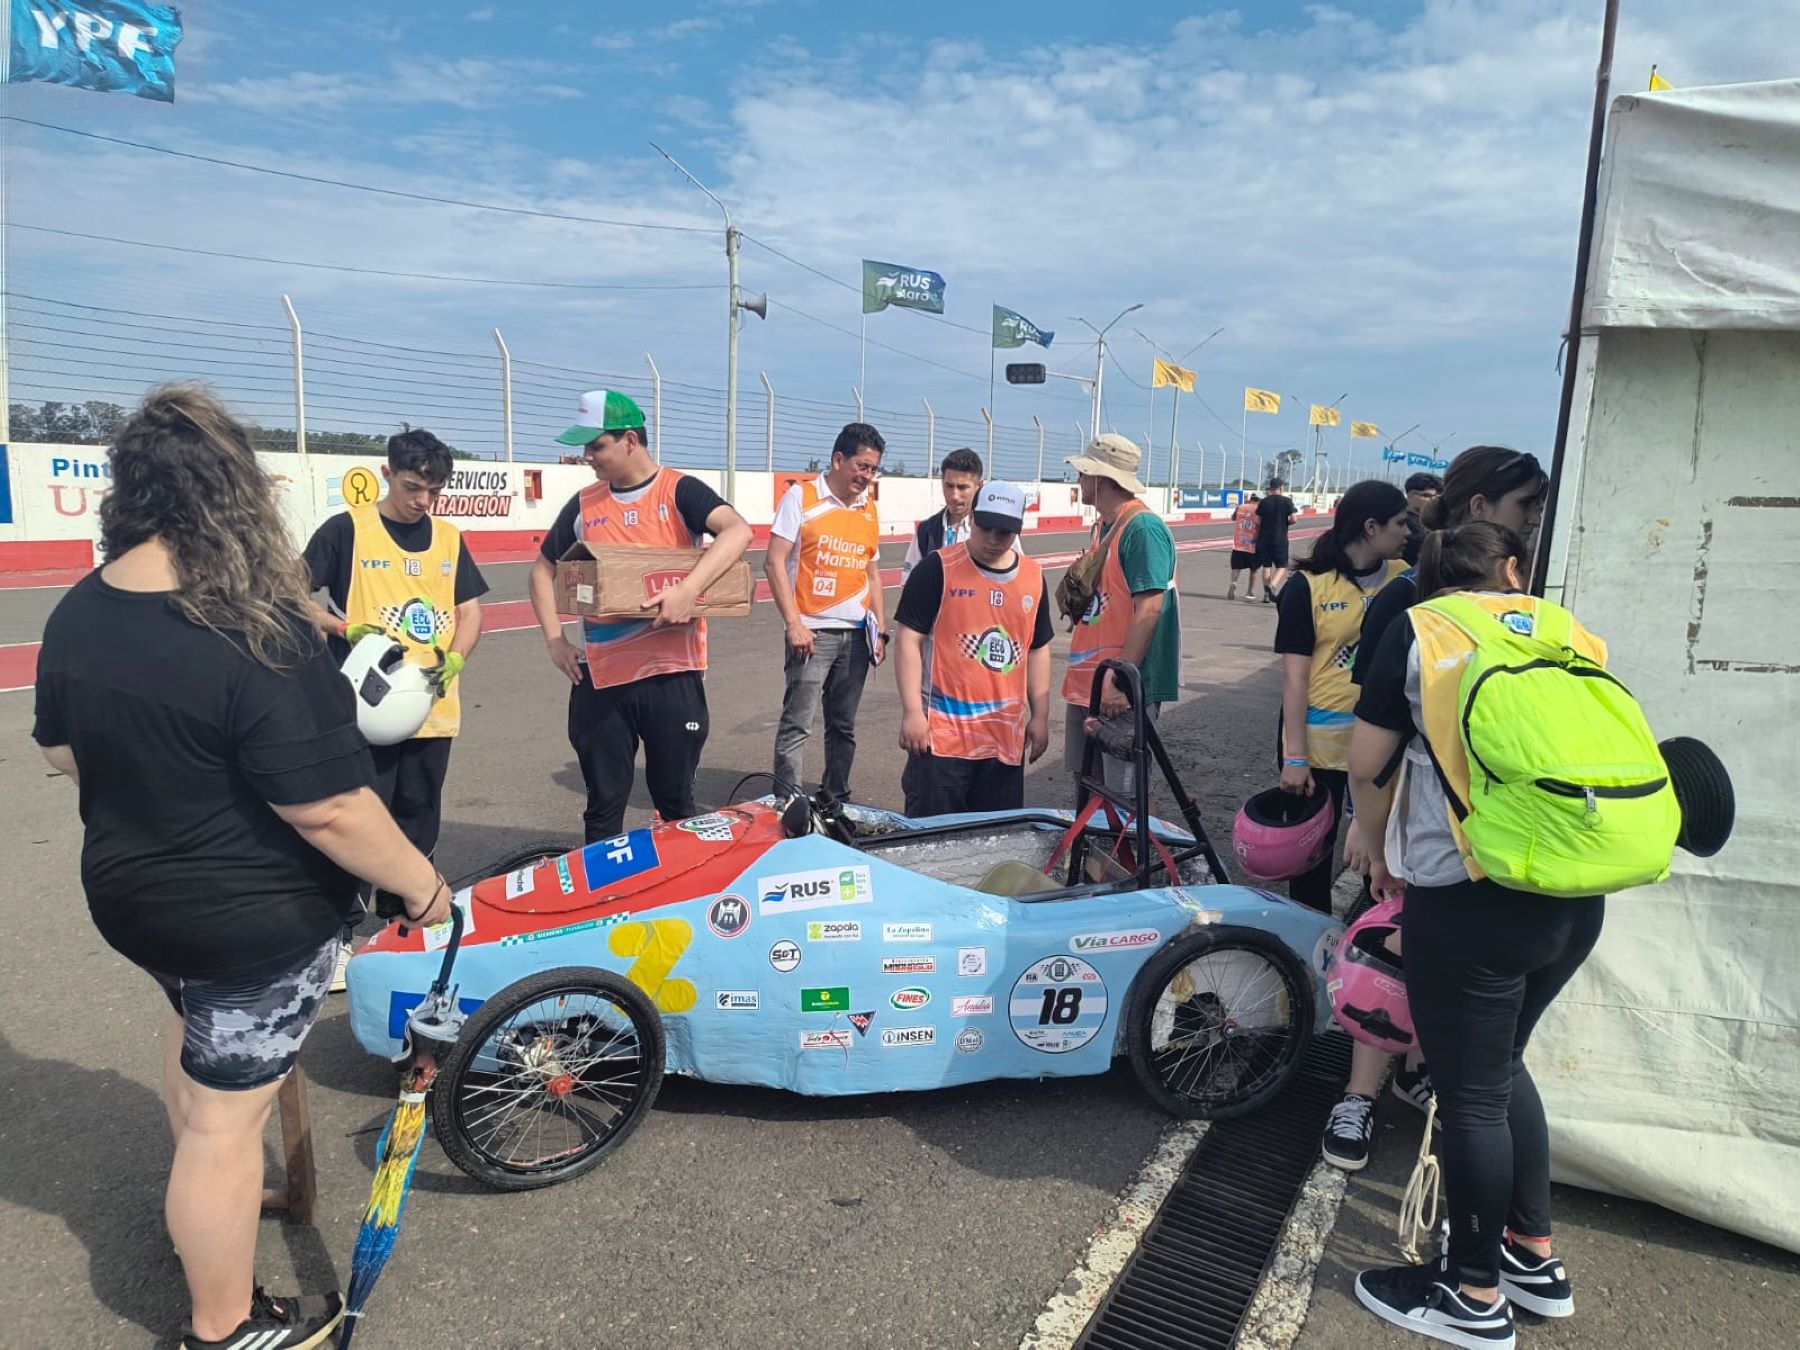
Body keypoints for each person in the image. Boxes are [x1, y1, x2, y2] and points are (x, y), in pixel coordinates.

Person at [32, 385, 451, 1350]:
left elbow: (63, 756)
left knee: (199, 1046)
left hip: (133, 898)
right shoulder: (253, 626)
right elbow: (334, 808)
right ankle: (223, 1324)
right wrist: (425, 889)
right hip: (244, 920)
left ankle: (209, 1198)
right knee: (227, 1116)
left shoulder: (81, 611)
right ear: (235, 495)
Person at [1347, 521, 1607, 1349]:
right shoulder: (1566, 630)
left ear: (1429, 577)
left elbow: (1366, 761)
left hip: (1471, 894)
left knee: (1469, 1094)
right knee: (1499, 1073)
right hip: (1580, 888)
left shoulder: (1418, 630)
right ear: (1514, 569)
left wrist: (1380, 847)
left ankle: (1473, 1295)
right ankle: (1532, 1255)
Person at [1322, 448, 1552, 1169]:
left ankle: (1421, 1074)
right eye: (1525, 512)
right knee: (1386, 951)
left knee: (1449, 973)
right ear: (1482, 511)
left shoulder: (1529, 612)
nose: (1533, 527)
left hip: (1486, 839)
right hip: (1407, 829)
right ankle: (1359, 1094)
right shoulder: (1405, 602)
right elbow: (1376, 739)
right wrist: (1372, 829)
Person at [303, 427, 487, 984]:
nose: (423, 501)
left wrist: (456, 658)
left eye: (434, 491)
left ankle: (402, 927)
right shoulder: (346, 531)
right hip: (365, 708)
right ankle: (335, 936)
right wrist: (341, 627)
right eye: (413, 487)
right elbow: (285, 594)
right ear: (387, 474)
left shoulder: (449, 538)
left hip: (431, 707)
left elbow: (470, 612)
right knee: (358, 824)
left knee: (417, 817)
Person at [529, 389, 752, 841]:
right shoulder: (584, 504)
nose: (587, 457)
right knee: (603, 808)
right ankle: (603, 904)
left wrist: (689, 590)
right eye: (585, 448)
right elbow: (542, 569)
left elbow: (738, 531)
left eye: (597, 446)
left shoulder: (679, 491)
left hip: (672, 676)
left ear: (630, 440)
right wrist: (554, 641)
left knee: (676, 807)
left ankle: (678, 899)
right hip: (602, 680)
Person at [1271, 479, 1410, 909]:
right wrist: (1296, 758)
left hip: (1382, 748)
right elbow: (1295, 677)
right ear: (1371, 527)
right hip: (1318, 750)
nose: (1408, 532)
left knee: (1382, 854)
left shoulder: (1406, 581)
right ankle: (1308, 951)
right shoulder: (1308, 586)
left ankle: (1364, 951)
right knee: (1311, 860)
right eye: (1401, 523)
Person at [894, 481, 1054, 815]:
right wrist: (912, 712)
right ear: (972, 519)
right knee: (932, 842)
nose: (994, 540)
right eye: (986, 528)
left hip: (1003, 741)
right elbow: (909, 638)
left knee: (992, 842)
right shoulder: (938, 568)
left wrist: (1040, 716)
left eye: (1004, 532)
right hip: (943, 739)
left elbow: (1037, 649)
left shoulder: (1033, 578)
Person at [767, 423, 888, 806]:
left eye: (873, 470)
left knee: (843, 726)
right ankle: (787, 801)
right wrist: (793, 624)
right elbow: (773, 561)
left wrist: (879, 629)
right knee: (797, 723)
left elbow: (871, 571)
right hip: (811, 633)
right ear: (838, 459)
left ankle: (837, 798)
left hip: (856, 635)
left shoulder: (868, 509)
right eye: (862, 466)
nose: (867, 476)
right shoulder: (801, 498)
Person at [1061, 434, 1181, 795]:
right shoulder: (1104, 526)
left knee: (1127, 797)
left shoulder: (1142, 530)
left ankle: (1144, 853)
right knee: (1089, 787)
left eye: (1083, 472)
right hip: (1091, 685)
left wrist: (1122, 681)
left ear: (1100, 478)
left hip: (1120, 691)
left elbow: (1150, 608)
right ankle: (1095, 854)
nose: (1078, 480)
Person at [902, 446, 983, 579]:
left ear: (979, 485)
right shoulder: (925, 531)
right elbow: (909, 582)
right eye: (949, 486)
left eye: (962, 487)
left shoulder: (994, 529)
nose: (954, 495)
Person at [1255, 478, 1299, 601]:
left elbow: (1257, 520)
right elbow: (1294, 519)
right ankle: (1272, 585)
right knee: (1282, 565)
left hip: (1264, 538)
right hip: (1280, 538)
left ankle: (1266, 595)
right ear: (1281, 488)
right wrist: (1286, 523)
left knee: (1266, 566)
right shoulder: (1287, 501)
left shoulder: (1264, 502)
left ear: (1270, 488)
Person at [1402, 471, 1445, 565]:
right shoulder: (1403, 522)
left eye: (1435, 497)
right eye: (1426, 496)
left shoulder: (1433, 522)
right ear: (1410, 495)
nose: (1432, 500)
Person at [1226, 492, 1261, 601]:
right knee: (1254, 570)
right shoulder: (1260, 510)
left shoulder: (1240, 507)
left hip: (1239, 543)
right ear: (1259, 500)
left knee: (1236, 567)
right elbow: (1261, 524)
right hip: (1253, 544)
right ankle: (1250, 591)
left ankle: (1233, 583)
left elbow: (1233, 518)